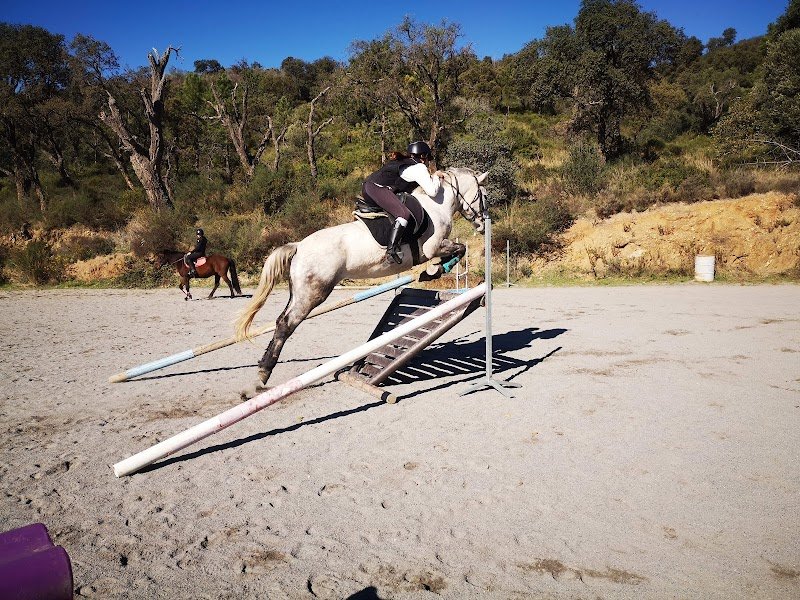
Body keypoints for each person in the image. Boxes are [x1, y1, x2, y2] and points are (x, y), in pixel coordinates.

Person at [362, 141, 446, 264]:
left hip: (370, 188)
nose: (428, 162)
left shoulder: (406, 164)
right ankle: (391, 251)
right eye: (428, 159)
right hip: (376, 189)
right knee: (403, 214)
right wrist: (436, 177)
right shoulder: (418, 167)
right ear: (423, 157)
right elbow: (432, 192)